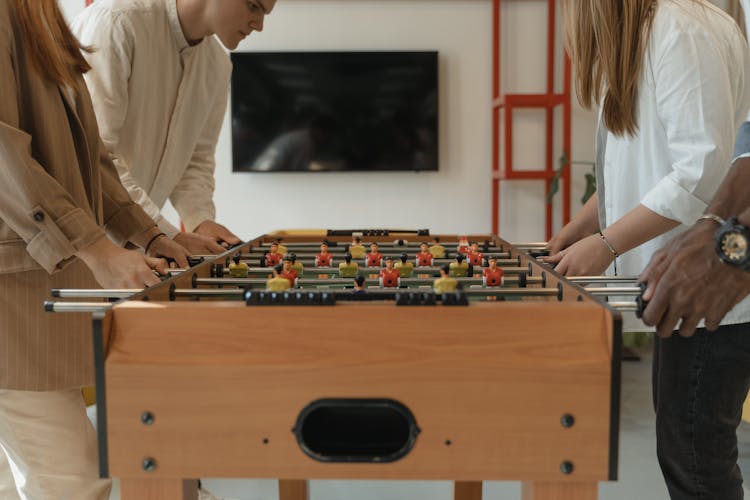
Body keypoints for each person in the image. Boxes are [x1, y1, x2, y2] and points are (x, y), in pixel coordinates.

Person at [546, 1, 750, 498]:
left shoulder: (679, 28)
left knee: (695, 459)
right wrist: (579, 227)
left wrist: (608, 242)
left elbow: (696, 172)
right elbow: (632, 165)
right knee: (682, 447)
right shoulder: (646, 35)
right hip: (674, 285)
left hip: (710, 288)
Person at [0, 1, 190, 497]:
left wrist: (146, 233)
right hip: (10, 302)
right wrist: (96, 248)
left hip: (35, 296)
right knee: (74, 481)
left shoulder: (39, 18)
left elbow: (89, 159)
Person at [72, 0, 277, 255]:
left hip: (137, 251)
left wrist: (200, 221)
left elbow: (195, 162)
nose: (259, 26)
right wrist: (165, 235)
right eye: (253, 6)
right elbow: (93, 156)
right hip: (77, 251)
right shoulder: (116, 22)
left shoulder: (218, 66)